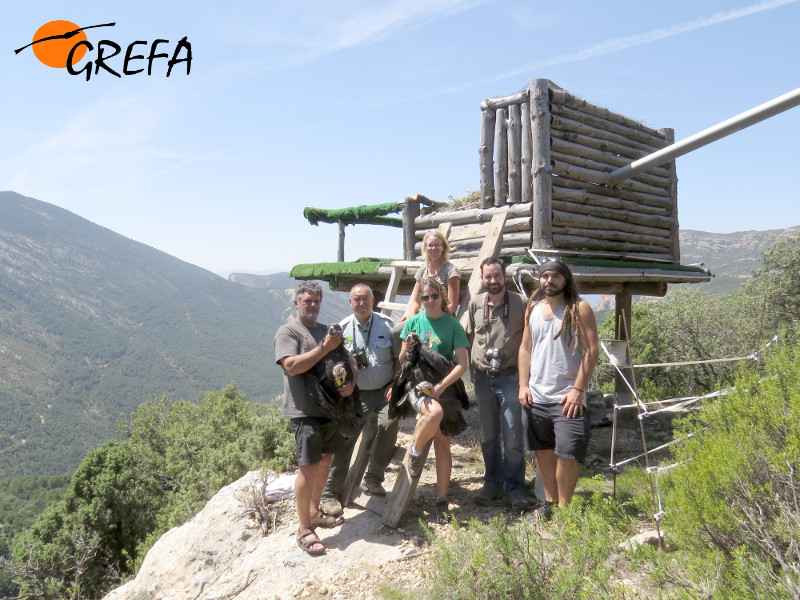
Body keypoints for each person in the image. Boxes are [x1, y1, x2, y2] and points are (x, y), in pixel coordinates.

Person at [275, 281, 357, 556]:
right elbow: (292, 366)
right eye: (307, 301)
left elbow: (347, 360)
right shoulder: (289, 331)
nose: (312, 306)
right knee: (308, 468)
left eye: (316, 301)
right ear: (296, 303)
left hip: (328, 409)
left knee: (324, 462)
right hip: (303, 411)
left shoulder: (325, 331)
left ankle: (314, 512)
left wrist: (351, 383)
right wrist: (323, 348)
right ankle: (303, 528)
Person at [518, 260, 599, 519]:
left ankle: (564, 509)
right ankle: (549, 504)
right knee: (542, 452)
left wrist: (578, 388)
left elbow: (592, 350)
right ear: (539, 280)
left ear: (565, 279)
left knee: (568, 452)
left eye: (555, 276)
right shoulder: (532, 309)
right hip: (536, 395)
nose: (549, 281)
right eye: (545, 276)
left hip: (567, 396)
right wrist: (523, 385)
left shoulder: (579, 308)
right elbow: (525, 348)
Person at [319, 284, 400, 515]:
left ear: (373, 300)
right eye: (357, 300)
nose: (361, 303)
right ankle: (330, 493)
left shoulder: (387, 325)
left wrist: (395, 384)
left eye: (365, 299)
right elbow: (333, 364)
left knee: (388, 423)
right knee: (345, 436)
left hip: (385, 390)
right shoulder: (342, 329)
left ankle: (374, 477)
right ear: (350, 302)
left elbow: (398, 359)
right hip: (356, 394)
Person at [396, 278, 469, 518]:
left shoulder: (453, 326)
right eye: (424, 297)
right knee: (434, 413)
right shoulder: (414, 322)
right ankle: (416, 452)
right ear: (420, 300)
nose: (429, 301)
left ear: (442, 298)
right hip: (416, 384)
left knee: (442, 442)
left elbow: (462, 364)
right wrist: (407, 349)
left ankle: (441, 500)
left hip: (444, 386)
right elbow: (401, 361)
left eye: (434, 296)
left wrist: (440, 386)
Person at [465, 257, 530, 511]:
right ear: (482, 278)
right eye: (488, 277)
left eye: (497, 276)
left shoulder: (520, 303)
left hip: (511, 376)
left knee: (514, 436)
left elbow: (529, 340)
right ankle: (492, 483)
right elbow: (469, 337)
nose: (493, 281)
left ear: (505, 276)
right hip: (482, 378)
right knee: (489, 435)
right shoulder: (475, 304)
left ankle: (515, 488)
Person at [401, 230, 461, 320]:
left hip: (442, 319)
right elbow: (416, 300)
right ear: (425, 247)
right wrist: (412, 313)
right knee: (396, 331)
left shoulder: (451, 271)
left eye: (437, 245)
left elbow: (452, 306)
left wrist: (431, 319)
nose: (433, 248)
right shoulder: (423, 269)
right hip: (422, 317)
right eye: (430, 245)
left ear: (443, 247)